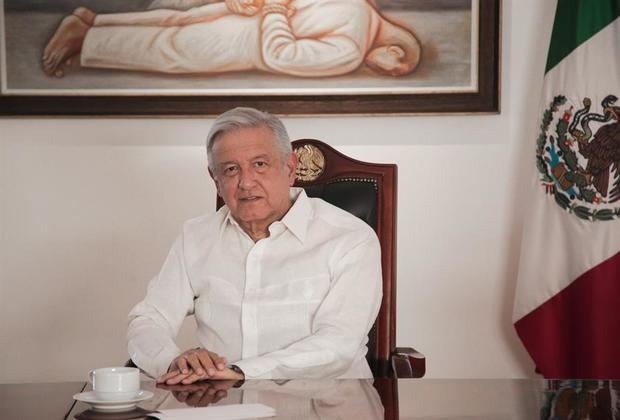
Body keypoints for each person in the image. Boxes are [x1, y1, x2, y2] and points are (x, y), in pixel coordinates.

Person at [127, 107, 382, 384]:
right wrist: (173, 361)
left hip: (326, 404)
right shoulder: (196, 237)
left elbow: (338, 344)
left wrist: (241, 373)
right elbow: (149, 319)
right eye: (231, 169)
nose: (246, 182)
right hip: (222, 404)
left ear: (290, 168)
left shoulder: (350, 238)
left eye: (260, 164)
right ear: (216, 180)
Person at [42, 0, 421, 78]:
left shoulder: (358, 6)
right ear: (393, 48)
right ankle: (84, 41)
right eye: (398, 68)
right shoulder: (351, 49)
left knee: (174, 22)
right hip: (244, 39)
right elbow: (279, 55)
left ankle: (90, 26)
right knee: (168, 50)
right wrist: (272, 12)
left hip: (243, 16)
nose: (390, 72)